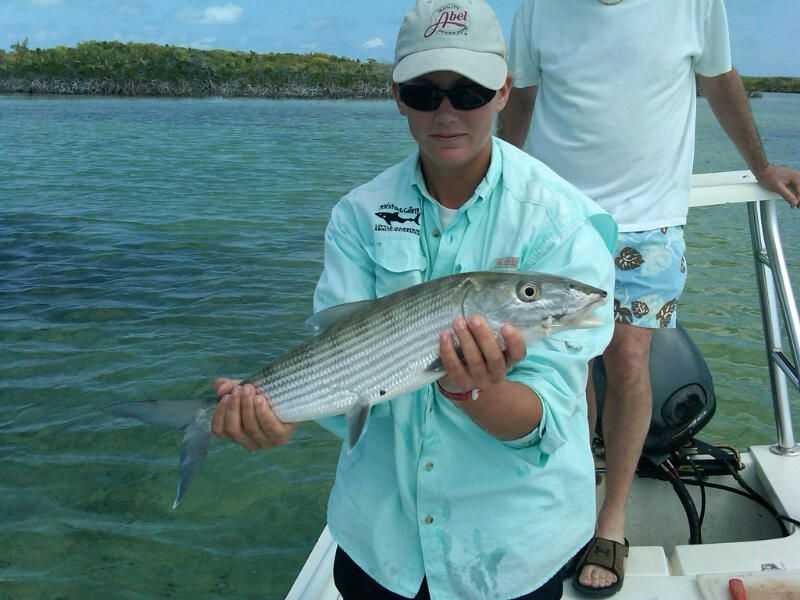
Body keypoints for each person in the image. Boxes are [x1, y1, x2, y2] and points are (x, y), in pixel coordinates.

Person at [211, 1, 618, 598]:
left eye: (469, 91)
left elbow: (551, 422)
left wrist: (475, 389)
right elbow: (340, 370)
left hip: (508, 550)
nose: (447, 113)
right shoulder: (358, 214)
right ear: (397, 97)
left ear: (504, 90)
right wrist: (272, 416)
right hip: (381, 540)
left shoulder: (563, 223)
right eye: (425, 94)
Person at [498, 0, 800, 596]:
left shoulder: (695, 4)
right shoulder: (537, 7)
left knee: (629, 361)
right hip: (560, 221)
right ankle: (568, 510)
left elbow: (719, 81)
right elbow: (522, 101)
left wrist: (761, 165)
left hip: (653, 225)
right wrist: (495, 191)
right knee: (567, 370)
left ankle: (612, 520)